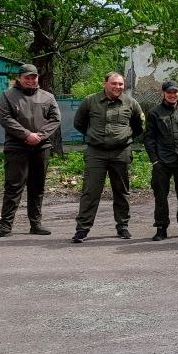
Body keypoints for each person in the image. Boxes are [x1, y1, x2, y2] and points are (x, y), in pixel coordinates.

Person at [0, 64, 62, 238]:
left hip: (41, 147)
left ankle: (36, 224)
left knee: (37, 186)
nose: (30, 80)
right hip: (16, 147)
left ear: (37, 78)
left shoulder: (47, 97)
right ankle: (5, 226)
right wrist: (26, 135)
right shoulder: (8, 96)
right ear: (19, 78)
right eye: (27, 77)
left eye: (33, 77)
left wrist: (39, 136)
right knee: (13, 187)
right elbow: (5, 118)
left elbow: (55, 119)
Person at [71, 72, 143, 243]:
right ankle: (82, 229)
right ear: (105, 84)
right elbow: (79, 123)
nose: (118, 87)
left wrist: (124, 137)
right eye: (114, 84)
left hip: (121, 152)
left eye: (120, 84)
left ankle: (123, 226)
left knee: (122, 190)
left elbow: (139, 126)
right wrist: (94, 136)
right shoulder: (90, 101)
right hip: (96, 153)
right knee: (90, 191)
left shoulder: (131, 103)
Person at [143, 79, 178, 241]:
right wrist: (155, 161)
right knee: (161, 195)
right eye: (169, 92)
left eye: (175, 92)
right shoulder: (154, 113)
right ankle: (161, 228)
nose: (172, 95)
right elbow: (149, 139)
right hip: (163, 161)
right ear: (163, 93)